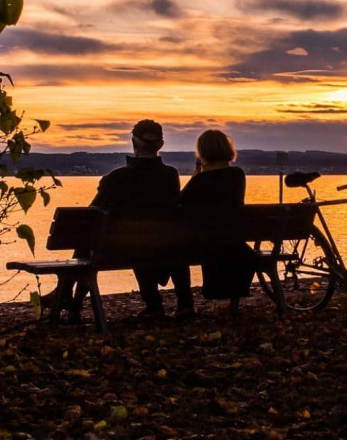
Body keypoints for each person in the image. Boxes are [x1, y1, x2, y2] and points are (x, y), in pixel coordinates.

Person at [52, 119, 182, 321]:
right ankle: (68, 297)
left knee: (88, 238)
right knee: (93, 238)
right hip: (164, 247)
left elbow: (89, 215)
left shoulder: (116, 178)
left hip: (120, 249)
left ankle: (69, 299)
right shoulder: (170, 176)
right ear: (161, 144)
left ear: (133, 141)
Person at [180, 129, 254, 314]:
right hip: (233, 240)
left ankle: (185, 305)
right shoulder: (237, 175)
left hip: (208, 243)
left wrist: (196, 175)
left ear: (202, 152)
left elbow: (180, 203)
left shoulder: (200, 181)